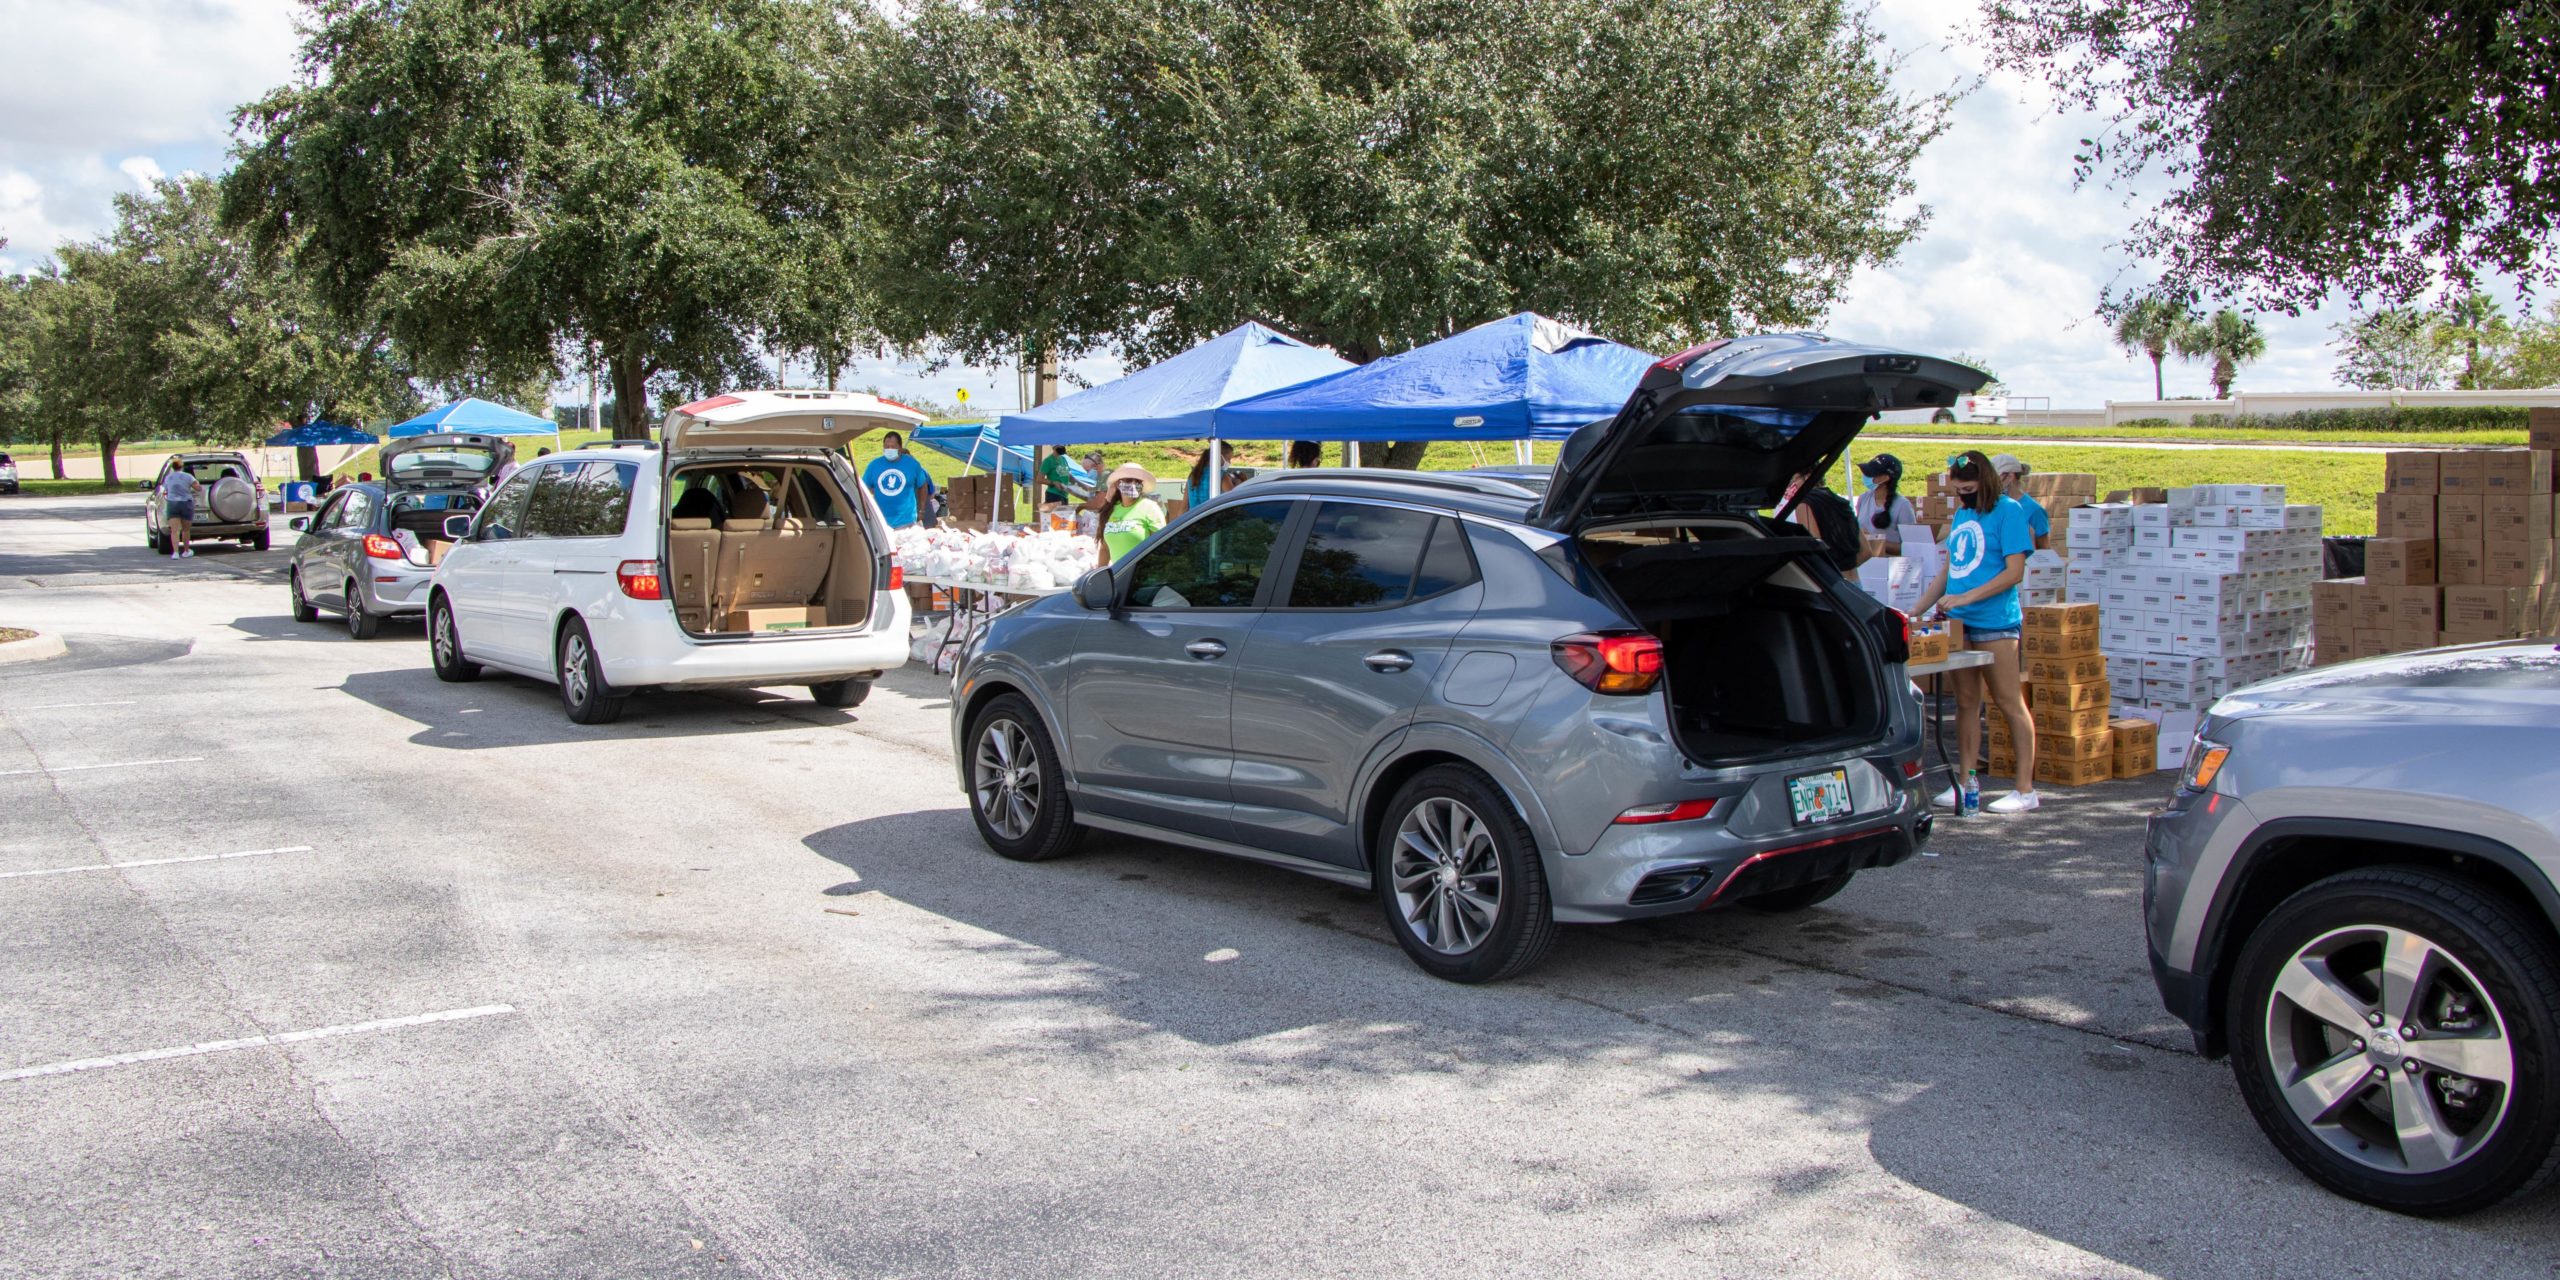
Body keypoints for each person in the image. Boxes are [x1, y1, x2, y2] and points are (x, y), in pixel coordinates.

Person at [1914, 450, 2039, 814]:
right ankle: (1966, 781)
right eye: (1957, 489)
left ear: (1984, 481)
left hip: (1996, 622)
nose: (1962, 495)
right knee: (1966, 703)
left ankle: (2025, 788)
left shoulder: (2009, 512)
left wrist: (1968, 595)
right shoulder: (1964, 514)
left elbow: (2014, 572)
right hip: (1960, 622)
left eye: (1967, 488)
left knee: (2008, 701)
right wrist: (1917, 609)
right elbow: (1949, 570)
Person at [1785, 470, 1866, 569]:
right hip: (1853, 580)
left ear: (1808, 476)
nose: (1790, 485)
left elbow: (1816, 551)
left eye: (1794, 479)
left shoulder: (1805, 504)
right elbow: (1867, 551)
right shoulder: (1841, 501)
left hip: (1829, 581)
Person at [861, 431, 937, 530]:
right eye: (886, 446)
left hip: (907, 521)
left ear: (900, 448)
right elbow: (863, 488)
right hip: (881, 521)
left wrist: (922, 509)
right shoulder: (874, 465)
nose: (889, 449)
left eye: (893, 446)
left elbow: (923, 485)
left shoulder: (912, 464)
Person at [1095, 463, 1164, 566]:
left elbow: (1161, 545)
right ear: (1118, 484)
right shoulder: (1111, 510)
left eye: (1138, 481)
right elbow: (1105, 548)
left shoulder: (1150, 508)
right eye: (1128, 480)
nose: (1133, 484)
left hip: (1143, 575)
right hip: (1119, 576)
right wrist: (1100, 575)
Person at [1855, 454, 1917, 555]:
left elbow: (1911, 547)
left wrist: (1874, 541)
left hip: (1889, 565)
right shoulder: (1863, 498)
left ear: (1884, 478)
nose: (1865, 476)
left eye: (1870, 474)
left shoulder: (1903, 506)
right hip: (1864, 564)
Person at [1992, 453, 2050, 550]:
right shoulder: (1992, 505)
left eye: (1995, 479)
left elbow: (2044, 548)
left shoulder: (2034, 510)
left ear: (2010, 476)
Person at [159, 464, 200, 559]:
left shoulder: (168, 477)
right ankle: (186, 551)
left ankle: (176, 553)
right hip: (186, 503)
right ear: (182, 466)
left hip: (172, 503)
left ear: (173, 467)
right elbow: (198, 488)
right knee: (186, 530)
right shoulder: (188, 476)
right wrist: (196, 483)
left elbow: (165, 489)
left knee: (174, 530)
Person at [1039, 445, 1078, 510]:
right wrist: (1054, 483)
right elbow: (1039, 479)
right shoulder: (1048, 461)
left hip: (1064, 494)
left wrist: (1081, 487)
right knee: (1056, 518)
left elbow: (1068, 475)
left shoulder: (1063, 459)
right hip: (1053, 495)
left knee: (1063, 518)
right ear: (1054, 447)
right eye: (1059, 445)